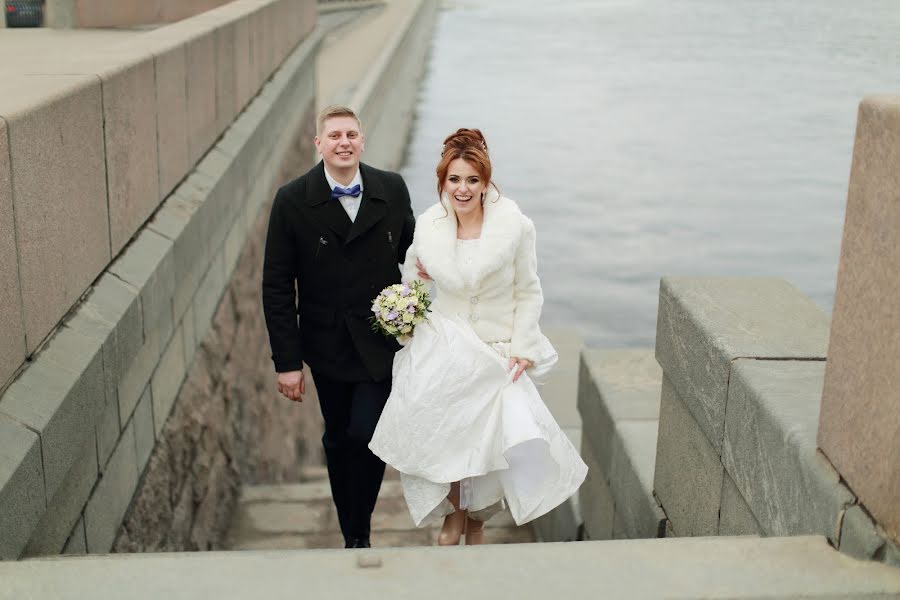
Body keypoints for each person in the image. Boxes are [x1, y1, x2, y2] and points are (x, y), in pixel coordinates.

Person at [369, 128, 587, 545]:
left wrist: (523, 347)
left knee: (493, 448)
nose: (463, 189)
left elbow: (529, 289)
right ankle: (455, 511)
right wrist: (404, 315)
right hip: (446, 347)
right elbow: (411, 282)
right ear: (442, 183)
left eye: (472, 180)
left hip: (497, 350)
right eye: (454, 180)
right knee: (447, 434)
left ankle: (477, 522)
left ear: (486, 183)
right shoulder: (430, 228)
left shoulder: (516, 228)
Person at [262, 105, 415, 549]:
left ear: (362, 141)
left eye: (351, 134)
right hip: (325, 344)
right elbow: (276, 285)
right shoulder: (292, 200)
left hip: (380, 341)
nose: (343, 142)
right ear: (320, 144)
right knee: (338, 437)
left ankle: (357, 532)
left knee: (366, 434)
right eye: (334, 135)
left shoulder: (392, 187)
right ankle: (353, 531)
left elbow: (415, 253)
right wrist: (287, 363)